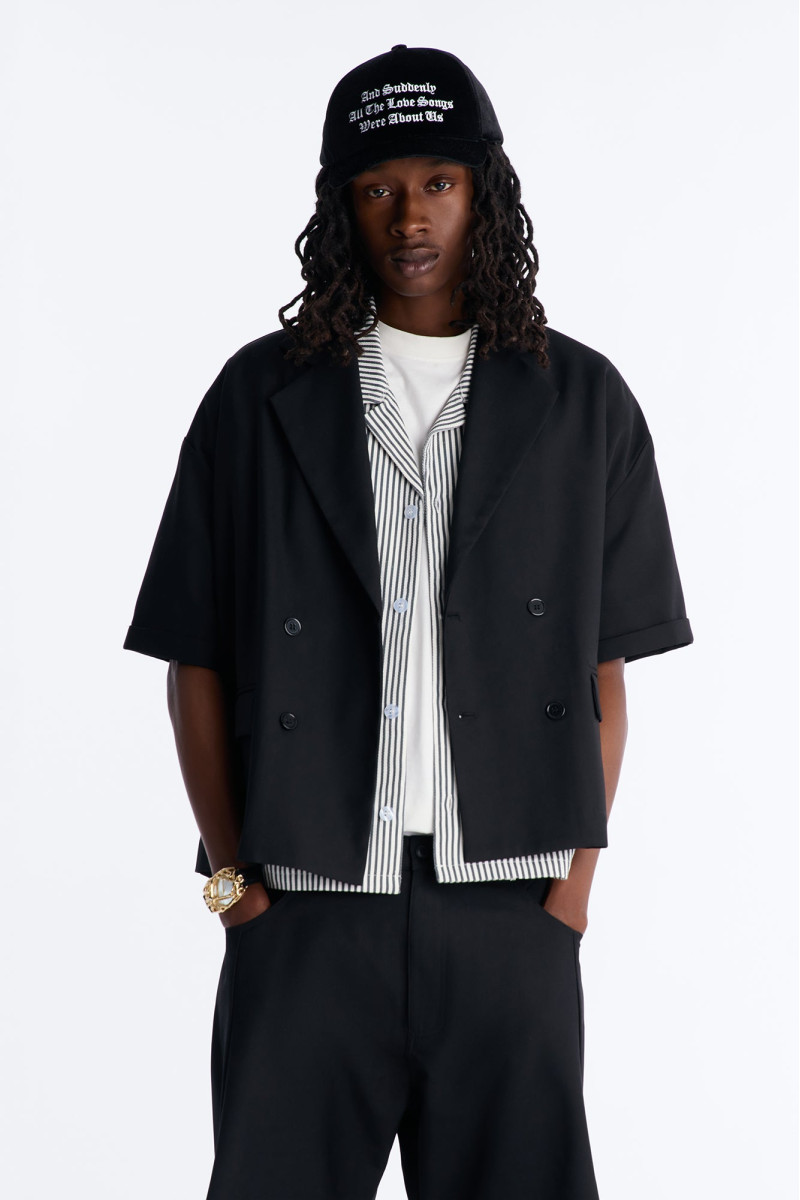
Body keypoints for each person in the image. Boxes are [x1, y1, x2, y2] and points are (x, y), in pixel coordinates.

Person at [123, 44, 694, 1200]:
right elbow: (194, 661)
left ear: (484, 192)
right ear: (342, 207)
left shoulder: (581, 401)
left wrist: (570, 892)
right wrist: (235, 890)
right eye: (377, 188)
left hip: (511, 913)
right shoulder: (255, 398)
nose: (410, 215)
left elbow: (603, 672)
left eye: (438, 181)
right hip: (304, 911)